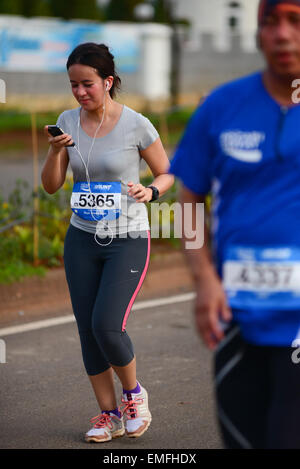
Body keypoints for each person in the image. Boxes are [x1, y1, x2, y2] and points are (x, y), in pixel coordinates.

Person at [169, 0, 300, 449]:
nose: (282, 34)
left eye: (295, 21)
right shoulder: (223, 105)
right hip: (237, 323)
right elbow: (188, 199)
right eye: (270, 22)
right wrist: (204, 278)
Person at [41, 42, 174, 443]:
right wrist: (53, 153)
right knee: (87, 331)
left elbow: (166, 173)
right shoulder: (67, 121)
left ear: (108, 81)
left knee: (107, 325)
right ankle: (108, 414)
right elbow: (51, 187)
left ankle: (134, 394)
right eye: (73, 85)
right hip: (81, 238)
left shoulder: (136, 124)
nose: (80, 93)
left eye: (87, 84)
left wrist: (151, 192)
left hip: (127, 238)